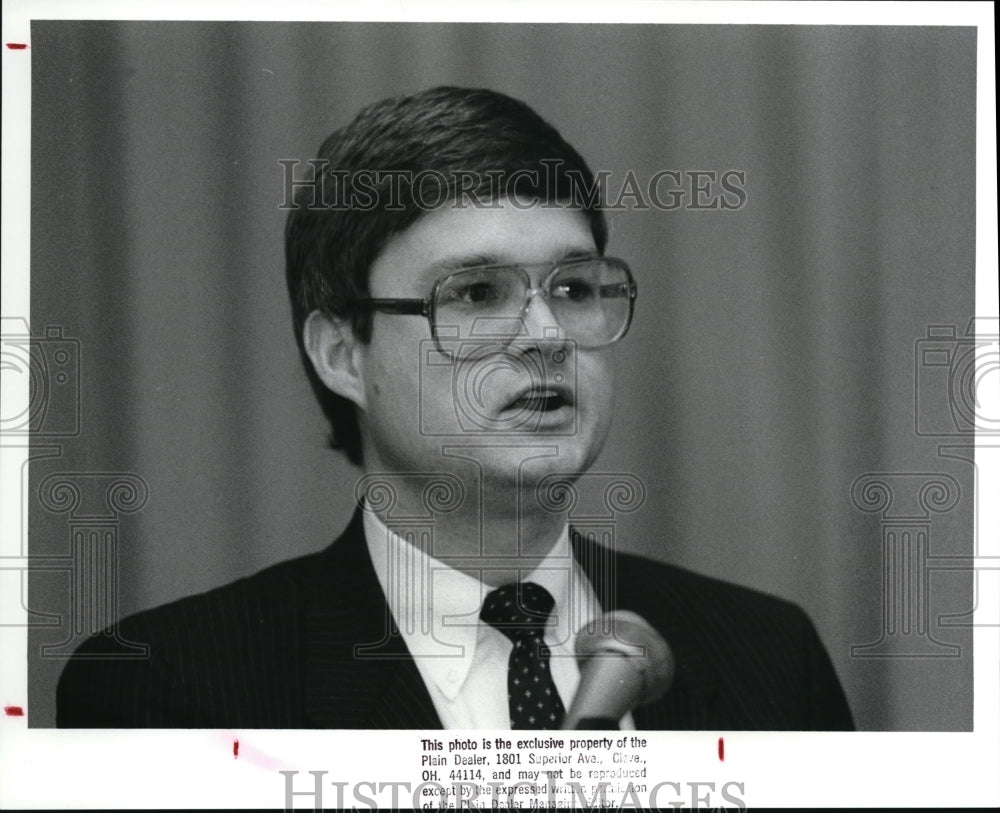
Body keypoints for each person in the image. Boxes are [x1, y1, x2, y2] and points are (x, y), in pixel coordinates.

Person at [57, 86, 853, 730]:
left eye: (574, 289)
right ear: (342, 353)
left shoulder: (768, 656)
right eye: (476, 293)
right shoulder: (167, 687)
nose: (545, 334)